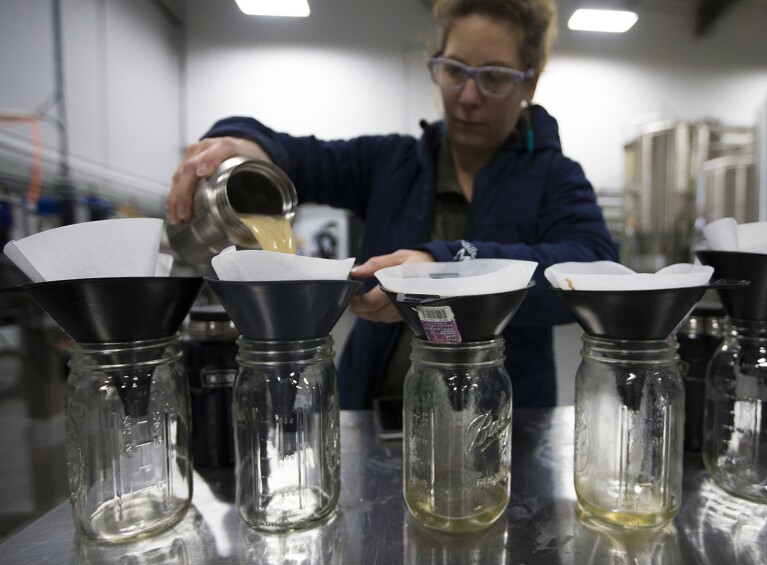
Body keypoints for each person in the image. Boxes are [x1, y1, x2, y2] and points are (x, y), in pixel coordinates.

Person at [166, 0, 618, 409]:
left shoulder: (555, 178)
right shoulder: (392, 163)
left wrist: (442, 267)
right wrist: (246, 142)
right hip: (372, 415)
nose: (468, 97)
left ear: (529, 83)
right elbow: (298, 155)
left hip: (502, 423)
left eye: (495, 77)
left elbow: (591, 267)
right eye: (455, 70)